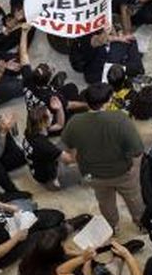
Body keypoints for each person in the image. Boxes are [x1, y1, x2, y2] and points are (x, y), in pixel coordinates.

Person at [59, 82, 145, 229]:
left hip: (94, 176)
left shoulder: (74, 122)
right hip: (123, 173)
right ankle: (141, 223)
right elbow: (137, 151)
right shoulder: (121, 119)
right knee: (134, 200)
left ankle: (112, 226)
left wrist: (77, 158)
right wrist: (134, 171)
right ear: (108, 101)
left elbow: (66, 150)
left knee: (105, 203)